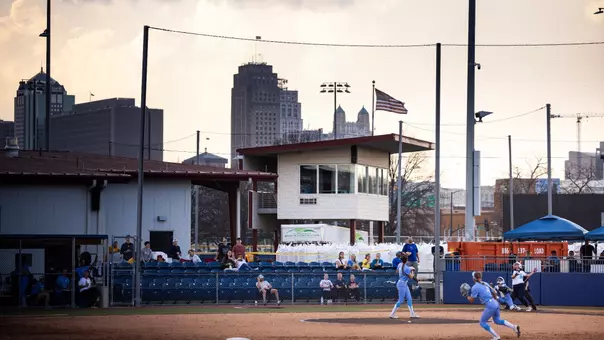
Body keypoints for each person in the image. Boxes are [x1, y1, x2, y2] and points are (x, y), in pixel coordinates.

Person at [465, 271, 521, 339]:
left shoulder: (475, 287)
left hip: (490, 305)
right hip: (495, 302)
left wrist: (466, 295)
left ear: (473, 278)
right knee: (497, 320)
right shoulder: (485, 283)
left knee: (482, 323)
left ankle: (496, 336)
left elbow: (472, 300)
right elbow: (494, 292)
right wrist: (495, 301)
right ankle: (514, 327)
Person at [389, 254, 419, 319]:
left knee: (409, 298)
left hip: (403, 283)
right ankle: (392, 314)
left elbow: (397, 271)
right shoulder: (406, 268)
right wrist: (412, 270)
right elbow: (411, 276)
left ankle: (412, 314)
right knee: (401, 300)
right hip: (402, 284)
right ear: (407, 260)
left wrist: (409, 269)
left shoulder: (400, 264)